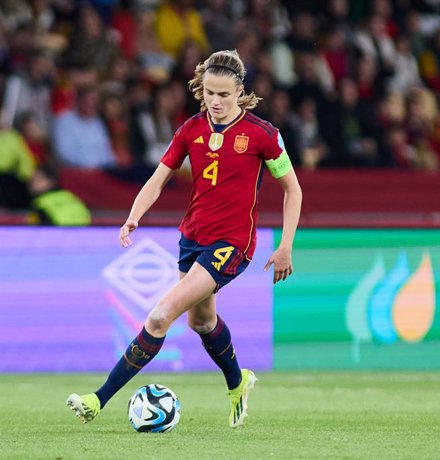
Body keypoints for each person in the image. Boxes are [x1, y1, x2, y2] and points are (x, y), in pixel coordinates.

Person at [66, 49, 303, 428]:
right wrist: (133, 217)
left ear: (240, 91)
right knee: (202, 322)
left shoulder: (262, 135)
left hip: (232, 244)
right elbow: (159, 178)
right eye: (210, 92)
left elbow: (293, 190)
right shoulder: (191, 129)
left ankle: (97, 400)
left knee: (160, 316)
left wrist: (285, 245)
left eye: (225, 94)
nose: (216, 101)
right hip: (192, 239)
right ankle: (238, 382)